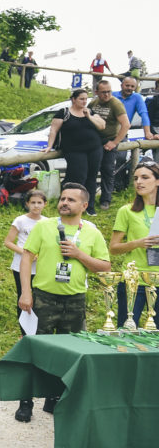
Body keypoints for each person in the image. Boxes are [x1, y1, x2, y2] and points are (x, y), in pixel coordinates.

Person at [17, 183, 111, 422]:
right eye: (62, 198)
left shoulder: (91, 232)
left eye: (71, 200)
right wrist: (26, 292)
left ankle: (55, 398)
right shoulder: (44, 226)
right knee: (34, 350)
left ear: (84, 205)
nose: (64, 203)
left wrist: (79, 254)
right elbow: (26, 258)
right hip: (44, 298)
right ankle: (26, 402)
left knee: (69, 354)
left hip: (75, 301)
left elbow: (104, 266)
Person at [109, 161, 159, 327]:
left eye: (145, 177)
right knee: (127, 330)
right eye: (136, 178)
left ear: (157, 181)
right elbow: (114, 248)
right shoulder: (126, 210)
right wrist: (138, 243)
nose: (139, 182)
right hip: (133, 281)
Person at [44, 88, 105, 215]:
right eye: (81, 99)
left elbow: (102, 126)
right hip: (74, 150)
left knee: (92, 177)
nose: (84, 101)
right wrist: (49, 146)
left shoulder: (90, 112)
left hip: (94, 148)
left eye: (86, 99)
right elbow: (53, 130)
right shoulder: (64, 113)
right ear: (73, 99)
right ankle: (70, 202)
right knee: (78, 176)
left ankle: (89, 206)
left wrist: (89, 116)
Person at [3, 189, 47, 332]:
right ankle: (24, 332)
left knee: (39, 299)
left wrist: (40, 255)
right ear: (27, 204)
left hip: (40, 267)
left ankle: (37, 330)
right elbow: (8, 242)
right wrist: (26, 253)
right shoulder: (20, 220)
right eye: (33, 202)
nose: (36, 206)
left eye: (39, 202)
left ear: (45, 204)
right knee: (23, 297)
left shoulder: (47, 222)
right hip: (20, 266)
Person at [89, 80, 131, 211]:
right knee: (92, 169)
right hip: (95, 141)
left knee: (107, 169)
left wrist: (115, 142)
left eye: (109, 91)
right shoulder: (93, 103)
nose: (107, 95)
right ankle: (88, 198)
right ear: (97, 92)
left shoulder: (116, 104)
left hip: (110, 140)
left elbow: (126, 124)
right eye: (103, 92)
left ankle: (105, 199)